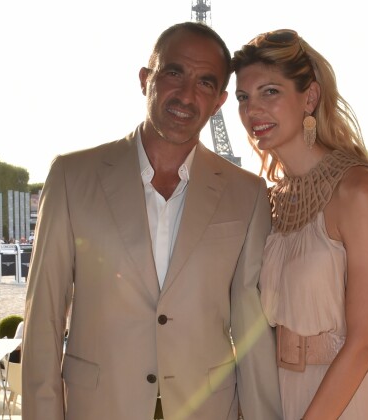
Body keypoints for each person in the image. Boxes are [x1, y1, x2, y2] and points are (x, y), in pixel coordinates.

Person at [22, 22, 281, 420]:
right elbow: (44, 317)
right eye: (174, 73)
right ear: (146, 79)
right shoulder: (72, 177)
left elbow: (251, 329)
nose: (187, 94)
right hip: (99, 407)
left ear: (219, 102)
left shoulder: (247, 194)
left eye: (206, 83)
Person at [231, 29, 368, 420]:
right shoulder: (269, 200)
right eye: (244, 97)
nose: (253, 109)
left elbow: (365, 343)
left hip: (347, 398)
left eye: (270, 92)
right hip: (277, 395)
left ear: (309, 97)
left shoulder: (358, 189)